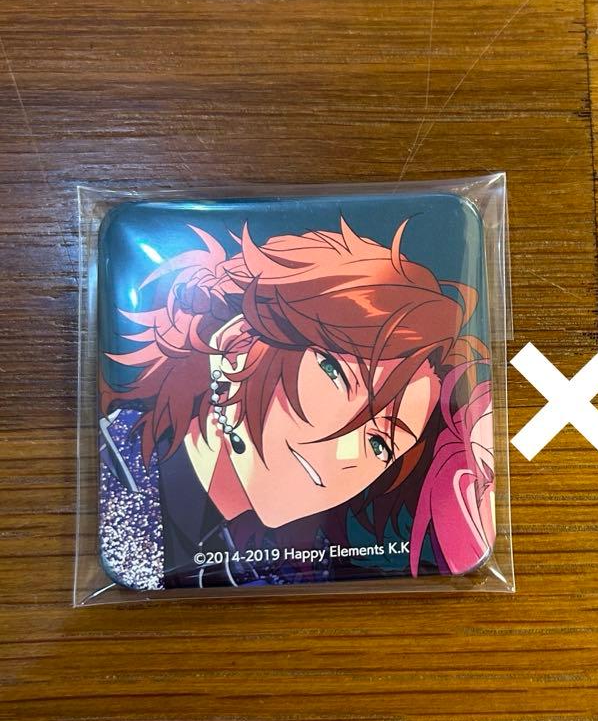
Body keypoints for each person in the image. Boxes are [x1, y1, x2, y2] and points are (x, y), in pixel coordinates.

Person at [98, 217, 495, 589]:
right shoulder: (114, 467)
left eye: (380, 444)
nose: (345, 454)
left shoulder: (287, 560)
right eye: (337, 376)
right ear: (236, 343)